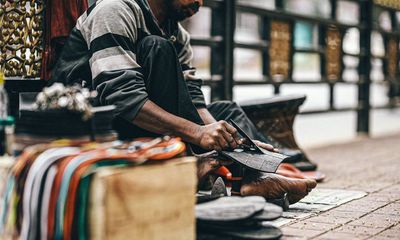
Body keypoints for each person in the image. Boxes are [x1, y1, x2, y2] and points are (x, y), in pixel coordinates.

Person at [49, 0, 316, 203]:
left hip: (141, 123)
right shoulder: (114, 9)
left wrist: (233, 143)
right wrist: (199, 134)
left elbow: (194, 102)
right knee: (157, 47)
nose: (200, 3)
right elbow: (125, 100)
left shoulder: (177, 34)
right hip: (93, 123)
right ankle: (207, 168)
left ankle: (248, 177)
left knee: (224, 112)